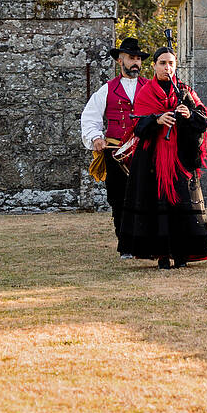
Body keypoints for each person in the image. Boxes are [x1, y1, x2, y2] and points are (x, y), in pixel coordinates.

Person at [119, 47, 207, 268]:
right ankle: (162, 255)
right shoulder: (145, 93)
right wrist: (157, 120)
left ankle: (182, 254)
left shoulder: (185, 91)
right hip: (151, 160)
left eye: (171, 63)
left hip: (181, 158)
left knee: (182, 205)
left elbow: (205, 120)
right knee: (156, 206)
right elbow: (138, 125)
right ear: (154, 66)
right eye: (162, 63)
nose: (167, 68)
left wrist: (189, 114)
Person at [79, 36, 145, 256]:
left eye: (138, 58)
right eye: (130, 58)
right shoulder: (107, 89)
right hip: (116, 153)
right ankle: (125, 245)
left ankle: (148, 242)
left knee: (147, 197)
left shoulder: (151, 87)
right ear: (120, 60)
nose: (135, 62)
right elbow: (90, 117)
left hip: (146, 152)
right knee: (119, 200)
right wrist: (96, 138)